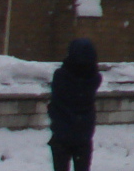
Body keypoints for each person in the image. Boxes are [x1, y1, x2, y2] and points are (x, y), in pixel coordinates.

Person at [47, 38, 101, 171]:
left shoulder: (61, 76)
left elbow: (55, 100)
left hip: (62, 133)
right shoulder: (94, 78)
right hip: (84, 133)